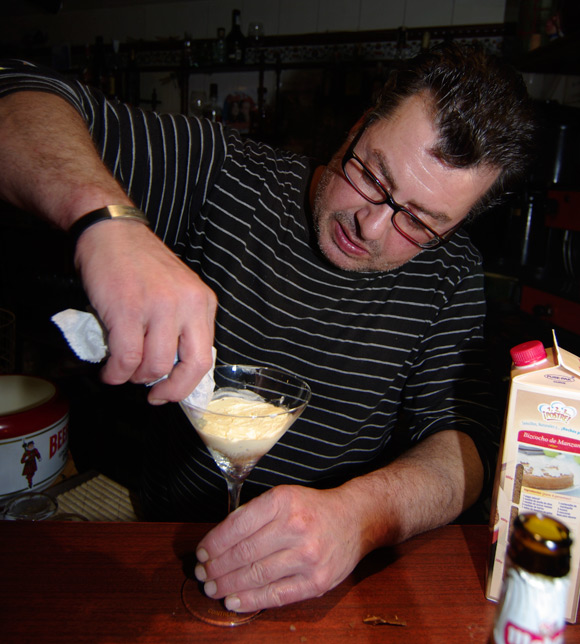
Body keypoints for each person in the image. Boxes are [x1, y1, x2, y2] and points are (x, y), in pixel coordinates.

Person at [0, 43, 536, 614]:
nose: (372, 224)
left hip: (334, 586)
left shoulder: (451, 275)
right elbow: (15, 90)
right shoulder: (227, 178)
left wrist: (362, 516)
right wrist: (108, 223)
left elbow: (468, 448)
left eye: (419, 222)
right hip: (160, 543)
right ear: (358, 125)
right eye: (371, 175)